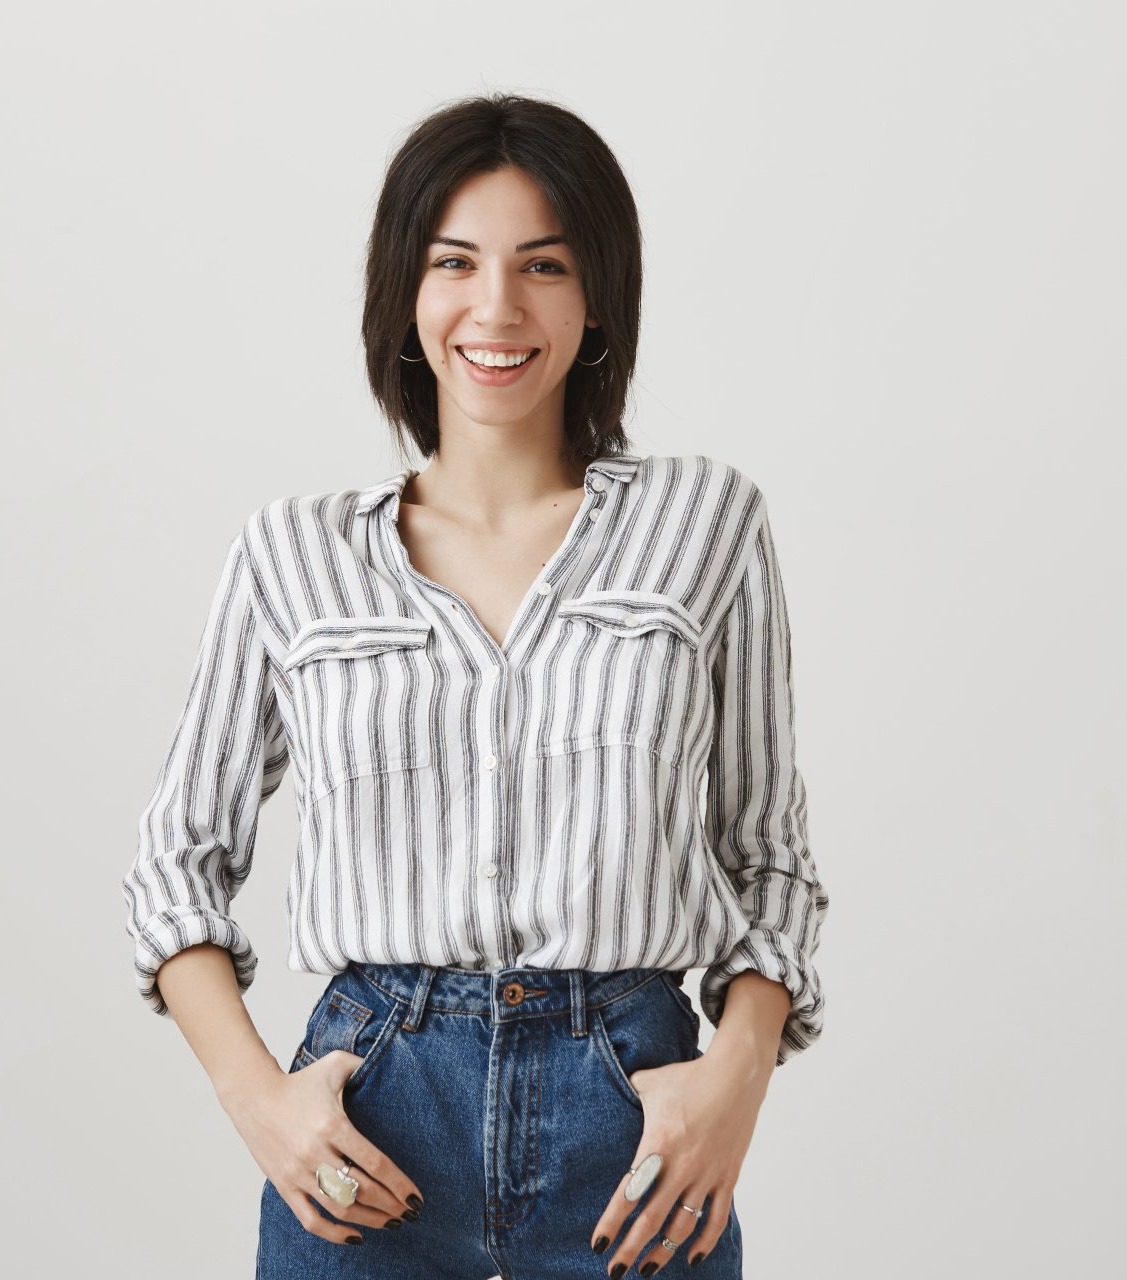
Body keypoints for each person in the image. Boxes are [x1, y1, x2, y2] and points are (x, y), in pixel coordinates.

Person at [120, 92, 829, 1280]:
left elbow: (766, 853)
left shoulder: (705, 522)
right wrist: (260, 1103)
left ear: (596, 291)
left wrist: (735, 1076)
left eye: (541, 265)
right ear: (406, 288)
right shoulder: (292, 553)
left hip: (636, 1125)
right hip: (371, 1123)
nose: (496, 308)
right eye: (455, 262)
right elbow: (174, 861)